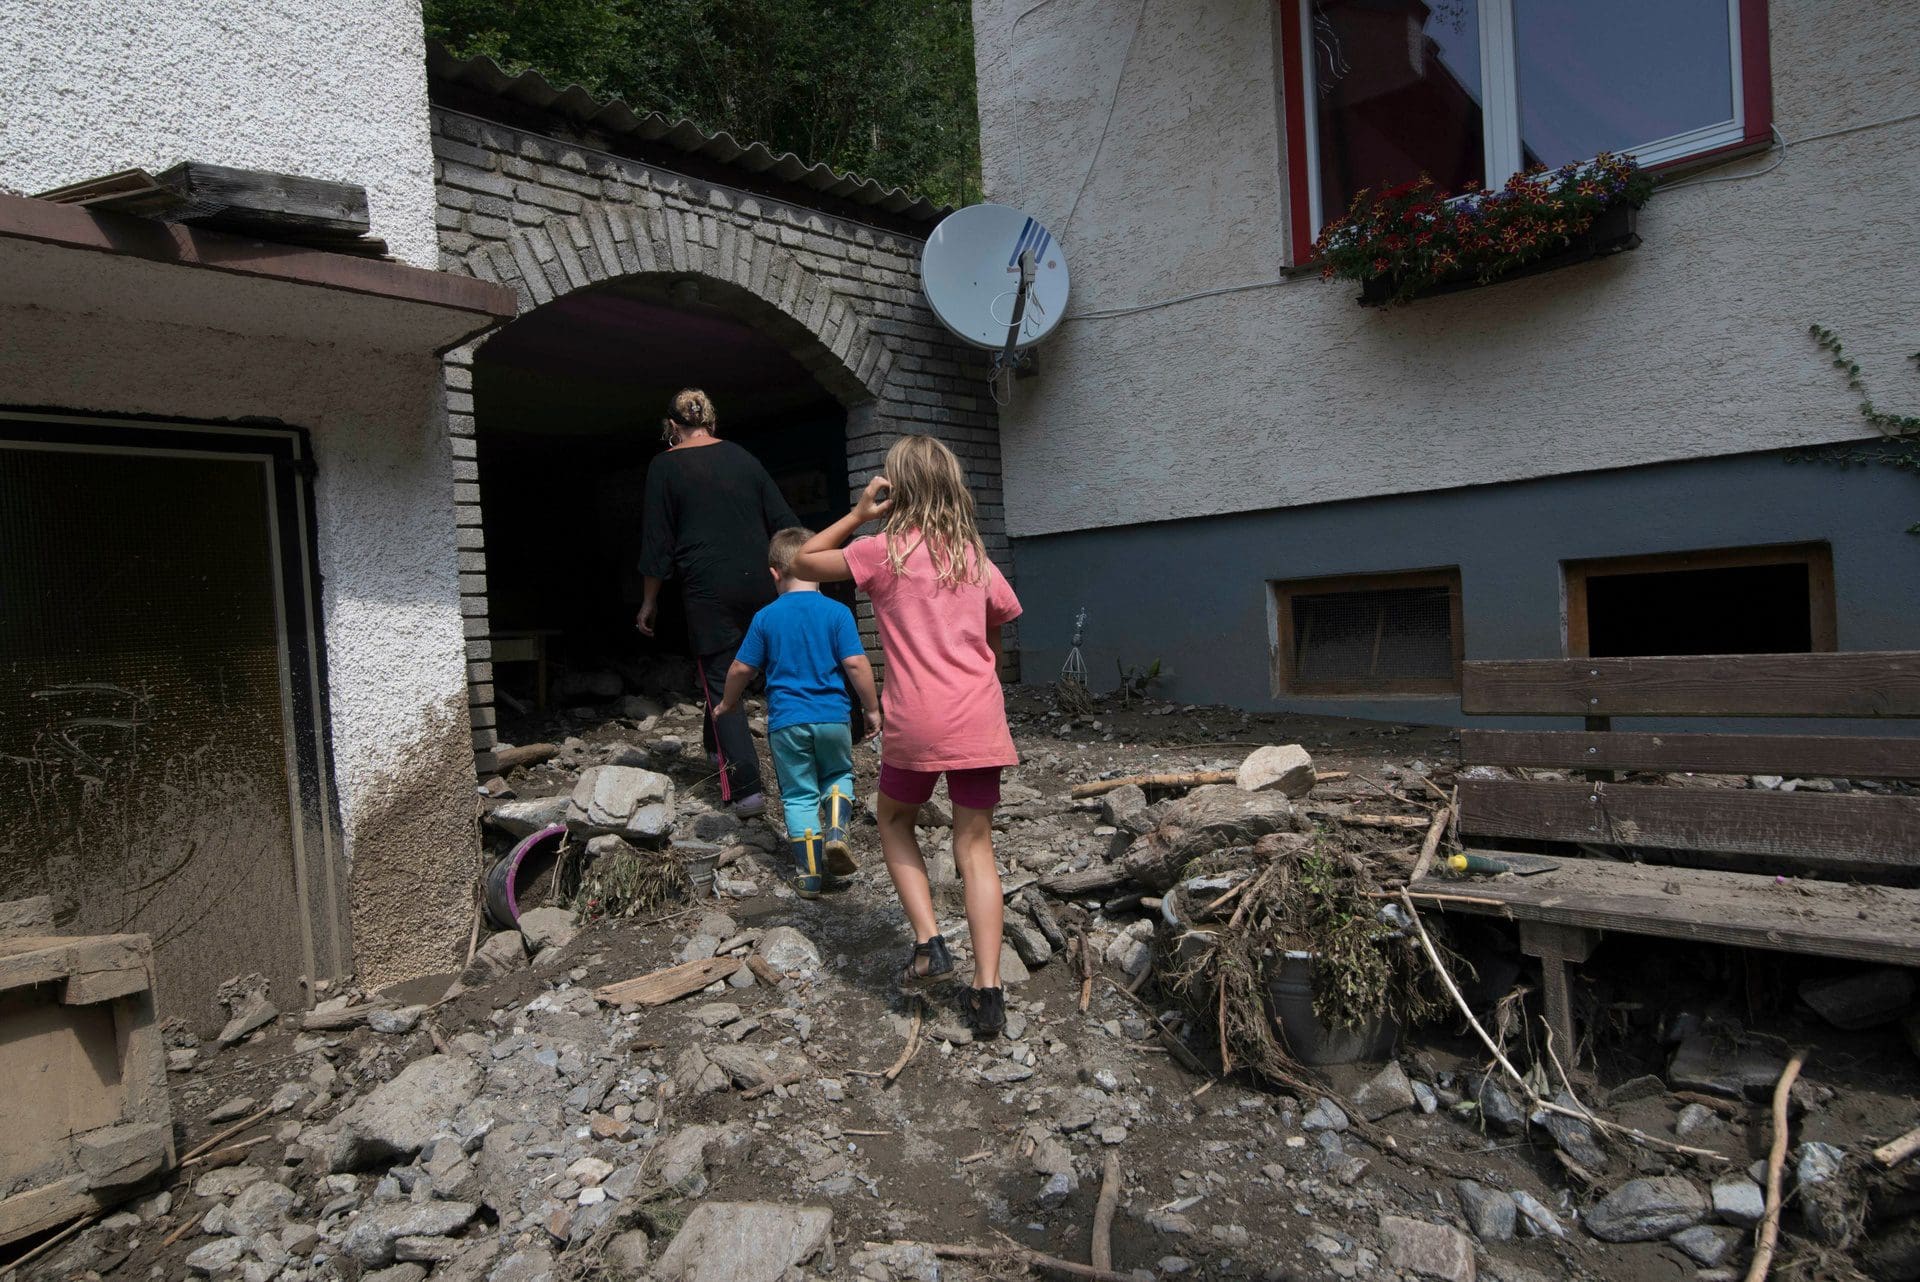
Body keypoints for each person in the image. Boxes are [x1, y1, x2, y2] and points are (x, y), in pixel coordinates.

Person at [791, 435, 1022, 1036]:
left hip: (917, 718)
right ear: (952, 485)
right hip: (978, 715)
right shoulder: (975, 557)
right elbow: (996, 638)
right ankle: (989, 993)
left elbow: (801, 562)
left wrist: (861, 513)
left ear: (897, 489)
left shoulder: (881, 551)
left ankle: (929, 943)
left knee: (894, 820)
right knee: (975, 847)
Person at [636, 388, 799, 816]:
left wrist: (649, 600)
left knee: (719, 679)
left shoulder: (664, 466)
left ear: (673, 426)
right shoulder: (744, 458)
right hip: (762, 581)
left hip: (709, 588)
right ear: (711, 421)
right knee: (755, 673)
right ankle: (720, 749)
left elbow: (658, 542)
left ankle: (746, 790)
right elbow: (785, 524)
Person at [712, 528, 881, 897]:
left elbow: (742, 669)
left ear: (774, 573)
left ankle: (809, 875)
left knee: (799, 795)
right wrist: (871, 708)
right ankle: (837, 830)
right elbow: (855, 663)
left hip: (787, 722)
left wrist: (727, 704)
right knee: (838, 773)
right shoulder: (837, 612)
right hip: (833, 717)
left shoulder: (766, 617)